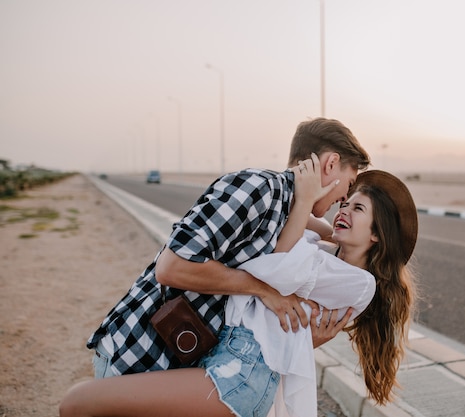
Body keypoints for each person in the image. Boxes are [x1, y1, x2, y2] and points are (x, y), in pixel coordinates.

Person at [59, 167, 419, 417]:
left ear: (377, 234)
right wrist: (306, 200)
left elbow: (276, 261)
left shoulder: (359, 284)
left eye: (358, 208)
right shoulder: (321, 253)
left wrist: (304, 200)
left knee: (79, 402)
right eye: (346, 201)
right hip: (228, 359)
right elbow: (295, 239)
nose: (344, 209)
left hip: (242, 374)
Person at [83, 117, 371, 379]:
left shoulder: (286, 209)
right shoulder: (260, 188)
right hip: (138, 355)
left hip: (170, 362)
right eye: (348, 183)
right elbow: (172, 267)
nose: (345, 196)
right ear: (331, 164)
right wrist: (264, 289)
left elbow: (307, 227)